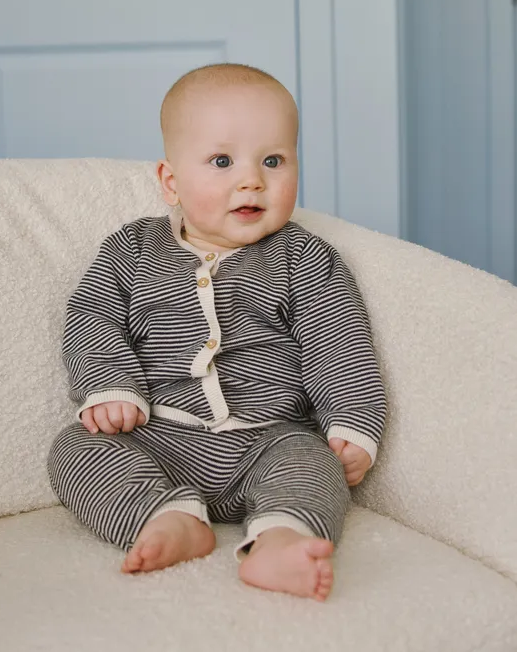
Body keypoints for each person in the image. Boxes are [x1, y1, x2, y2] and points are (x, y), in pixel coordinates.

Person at [48, 63, 386, 602]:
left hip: (273, 437)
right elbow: (93, 319)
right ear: (171, 181)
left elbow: (339, 342)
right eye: (222, 161)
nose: (251, 180)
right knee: (75, 449)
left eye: (273, 160)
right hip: (161, 434)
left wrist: (352, 423)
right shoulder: (131, 251)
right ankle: (166, 517)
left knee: (314, 465)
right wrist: (110, 387)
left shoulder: (304, 257)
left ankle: (279, 539)